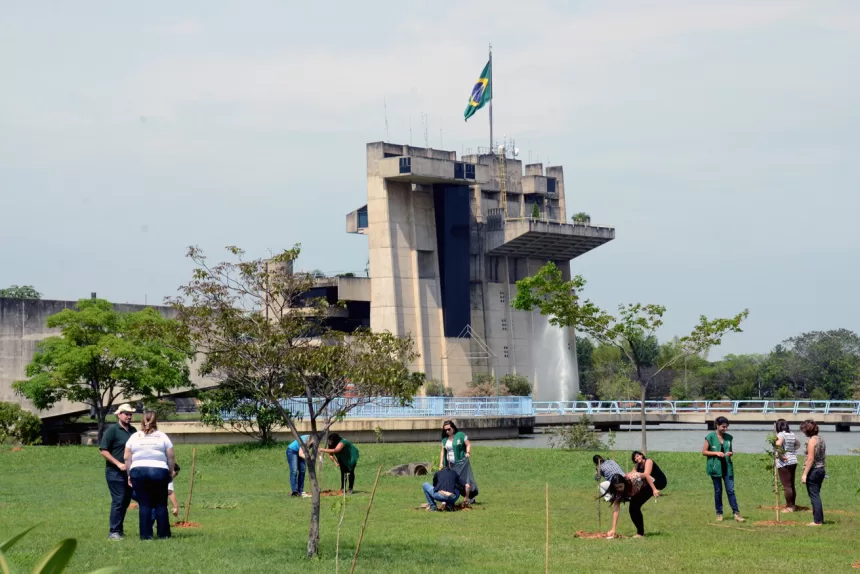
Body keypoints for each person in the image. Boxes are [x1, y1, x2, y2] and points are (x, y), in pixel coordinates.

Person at [124, 411, 176, 540]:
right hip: (159, 471)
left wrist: (129, 474)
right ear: (155, 421)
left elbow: (126, 457)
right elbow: (171, 456)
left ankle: (146, 535)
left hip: (138, 471)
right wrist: (170, 471)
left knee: (145, 504)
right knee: (160, 504)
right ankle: (164, 535)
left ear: (142, 421)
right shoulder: (162, 436)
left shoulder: (134, 436)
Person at [98, 403, 137, 540]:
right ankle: (113, 531)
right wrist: (118, 463)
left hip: (129, 473)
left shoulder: (133, 431)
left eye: (130, 414)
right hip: (114, 472)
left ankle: (119, 530)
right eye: (126, 413)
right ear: (119, 415)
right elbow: (103, 450)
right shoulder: (112, 430)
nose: (129, 416)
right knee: (118, 500)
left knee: (125, 501)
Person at [702, 416, 745, 522]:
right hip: (715, 468)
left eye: (727, 427)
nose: (725, 429)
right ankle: (719, 513)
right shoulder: (710, 437)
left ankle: (736, 513)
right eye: (723, 427)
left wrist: (730, 453)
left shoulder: (729, 437)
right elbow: (704, 452)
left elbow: (729, 450)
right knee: (718, 491)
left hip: (727, 467)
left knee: (731, 490)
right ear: (717, 425)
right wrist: (716, 453)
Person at [605, 471, 653, 538]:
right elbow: (616, 509)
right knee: (633, 508)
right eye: (617, 487)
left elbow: (646, 475)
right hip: (637, 491)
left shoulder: (634, 478)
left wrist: (654, 489)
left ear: (624, 482)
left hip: (649, 485)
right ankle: (640, 533)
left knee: (634, 507)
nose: (619, 489)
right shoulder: (618, 492)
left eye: (620, 486)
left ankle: (640, 533)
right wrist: (613, 529)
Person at [439, 421, 478, 504]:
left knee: (464, 480)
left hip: (461, 463)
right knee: (452, 481)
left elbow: (468, 444)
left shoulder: (460, 435)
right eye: (445, 430)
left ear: (453, 427)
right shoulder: (445, 440)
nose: (447, 431)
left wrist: (468, 453)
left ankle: (470, 497)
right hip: (450, 465)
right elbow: (442, 451)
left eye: (449, 429)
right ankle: (448, 499)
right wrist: (441, 463)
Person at [800, 419, 826, 526]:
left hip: (814, 471)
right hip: (821, 469)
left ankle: (817, 521)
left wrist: (805, 474)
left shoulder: (812, 441)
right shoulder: (821, 439)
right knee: (816, 495)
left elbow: (810, 459)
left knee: (814, 496)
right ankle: (819, 518)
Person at [774, 419, 799, 512]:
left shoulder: (780, 435)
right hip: (793, 460)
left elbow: (778, 445)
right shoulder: (792, 434)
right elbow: (798, 444)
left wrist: (781, 456)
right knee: (791, 484)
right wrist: (791, 450)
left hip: (785, 462)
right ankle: (793, 505)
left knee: (786, 486)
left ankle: (789, 507)